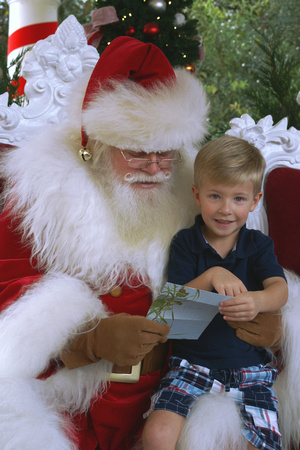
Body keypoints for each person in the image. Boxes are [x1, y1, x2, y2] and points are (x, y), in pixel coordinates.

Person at [142, 135, 288, 450]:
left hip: (250, 370)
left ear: (255, 201)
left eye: (238, 198)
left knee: (264, 444)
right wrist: (211, 275)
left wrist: (258, 300)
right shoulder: (185, 243)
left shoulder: (257, 246)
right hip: (191, 365)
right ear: (197, 194)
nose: (225, 209)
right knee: (156, 435)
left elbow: (280, 290)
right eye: (215, 196)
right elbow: (170, 311)